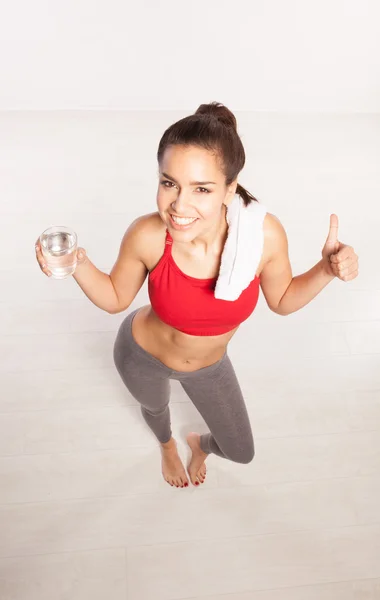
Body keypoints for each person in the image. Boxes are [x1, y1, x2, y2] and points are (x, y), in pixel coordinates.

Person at [35, 101, 359, 489]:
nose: (179, 205)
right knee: (155, 409)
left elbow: (283, 300)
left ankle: (199, 444)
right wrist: (78, 262)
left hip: (208, 367)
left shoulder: (263, 237)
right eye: (169, 183)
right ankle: (167, 445)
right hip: (141, 355)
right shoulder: (148, 234)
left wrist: (326, 269)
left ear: (229, 190)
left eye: (201, 189)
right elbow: (115, 298)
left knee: (241, 450)